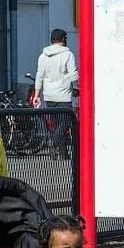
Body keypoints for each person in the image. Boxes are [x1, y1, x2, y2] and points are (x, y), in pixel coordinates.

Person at [32, 28, 79, 160]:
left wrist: (37, 95)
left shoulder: (43, 56)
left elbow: (39, 76)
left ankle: (64, 154)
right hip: (63, 95)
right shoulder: (68, 55)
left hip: (48, 96)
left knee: (58, 124)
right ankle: (53, 143)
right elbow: (73, 75)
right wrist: (78, 87)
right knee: (65, 123)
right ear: (63, 39)